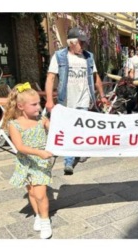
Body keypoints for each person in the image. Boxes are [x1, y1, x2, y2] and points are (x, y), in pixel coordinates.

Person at [45, 27, 108, 175]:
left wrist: (102, 95)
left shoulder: (88, 57)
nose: (84, 45)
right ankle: (69, 159)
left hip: (84, 100)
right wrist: (49, 100)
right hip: (67, 100)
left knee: (80, 128)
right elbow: (50, 78)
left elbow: (95, 77)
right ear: (72, 43)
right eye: (81, 43)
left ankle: (74, 154)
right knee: (68, 129)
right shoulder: (59, 56)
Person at [2, 82, 54, 239]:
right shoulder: (14, 125)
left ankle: (45, 222)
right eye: (34, 104)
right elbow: (20, 147)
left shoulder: (41, 119)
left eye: (39, 103)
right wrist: (38, 152)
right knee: (31, 192)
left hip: (41, 163)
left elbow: (54, 128)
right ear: (21, 106)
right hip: (25, 162)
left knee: (40, 194)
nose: (39, 107)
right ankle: (37, 215)